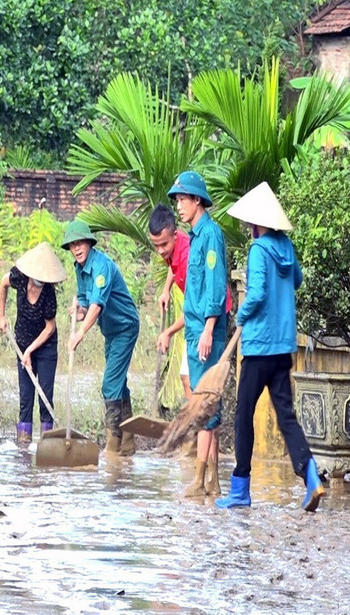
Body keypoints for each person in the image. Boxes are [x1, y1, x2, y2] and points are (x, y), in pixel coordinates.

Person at [216, 182, 324, 511]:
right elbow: (298, 281)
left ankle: (240, 488)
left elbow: (258, 293)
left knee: (242, 414)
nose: (248, 229)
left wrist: (241, 315)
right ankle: (311, 476)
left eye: (249, 223)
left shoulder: (259, 250)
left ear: (256, 222)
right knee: (286, 415)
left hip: (260, 347)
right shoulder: (286, 247)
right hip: (283, 348)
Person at [168, 171, 228, 497]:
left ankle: (201, 478)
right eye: (177, 200)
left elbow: (216, 285)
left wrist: (207, 329)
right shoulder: (195, 236)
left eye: (182, 199)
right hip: (194, 331)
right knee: (207, 405)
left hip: (206, 332)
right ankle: (212, 482)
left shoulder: (211, 236)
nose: (179, 205)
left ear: (197, 200)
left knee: (205, 406)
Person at [62, 220, 139, 456]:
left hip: (125, 327)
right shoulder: (79, 267)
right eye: (72, 245)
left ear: (89, 243)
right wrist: (79, 312)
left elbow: (97, 305)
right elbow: (86, 303)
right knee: (118, 383)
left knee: (109, 384)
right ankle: (128, 441)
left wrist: (80, 333)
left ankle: (113, 444)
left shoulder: (101, 267)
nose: (77, 249)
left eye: (80, 243)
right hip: (111, 331)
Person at [149, 204, 234, 403]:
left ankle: (197, 426)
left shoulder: (190, 253)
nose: (161, 251)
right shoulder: (176, 248)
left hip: (208, 317)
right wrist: (166, 290)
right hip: (198, 316)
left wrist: (168, 332)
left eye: (164, 245)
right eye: (156, 245)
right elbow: (172, 264)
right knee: (188, 378)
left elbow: (196, 306)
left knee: (201, 387)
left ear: (175, 235)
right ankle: (195, 427)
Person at [0, 242, 66, 442]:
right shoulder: (19, 277)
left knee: (45, 398)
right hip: (22, 342)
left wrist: (30, 351)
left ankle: (47, 443)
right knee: (26, 399)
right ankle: (24, 443)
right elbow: (3, 283)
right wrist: (1, 316)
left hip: (45, 347)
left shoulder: (49, 294)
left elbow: (49, 328)